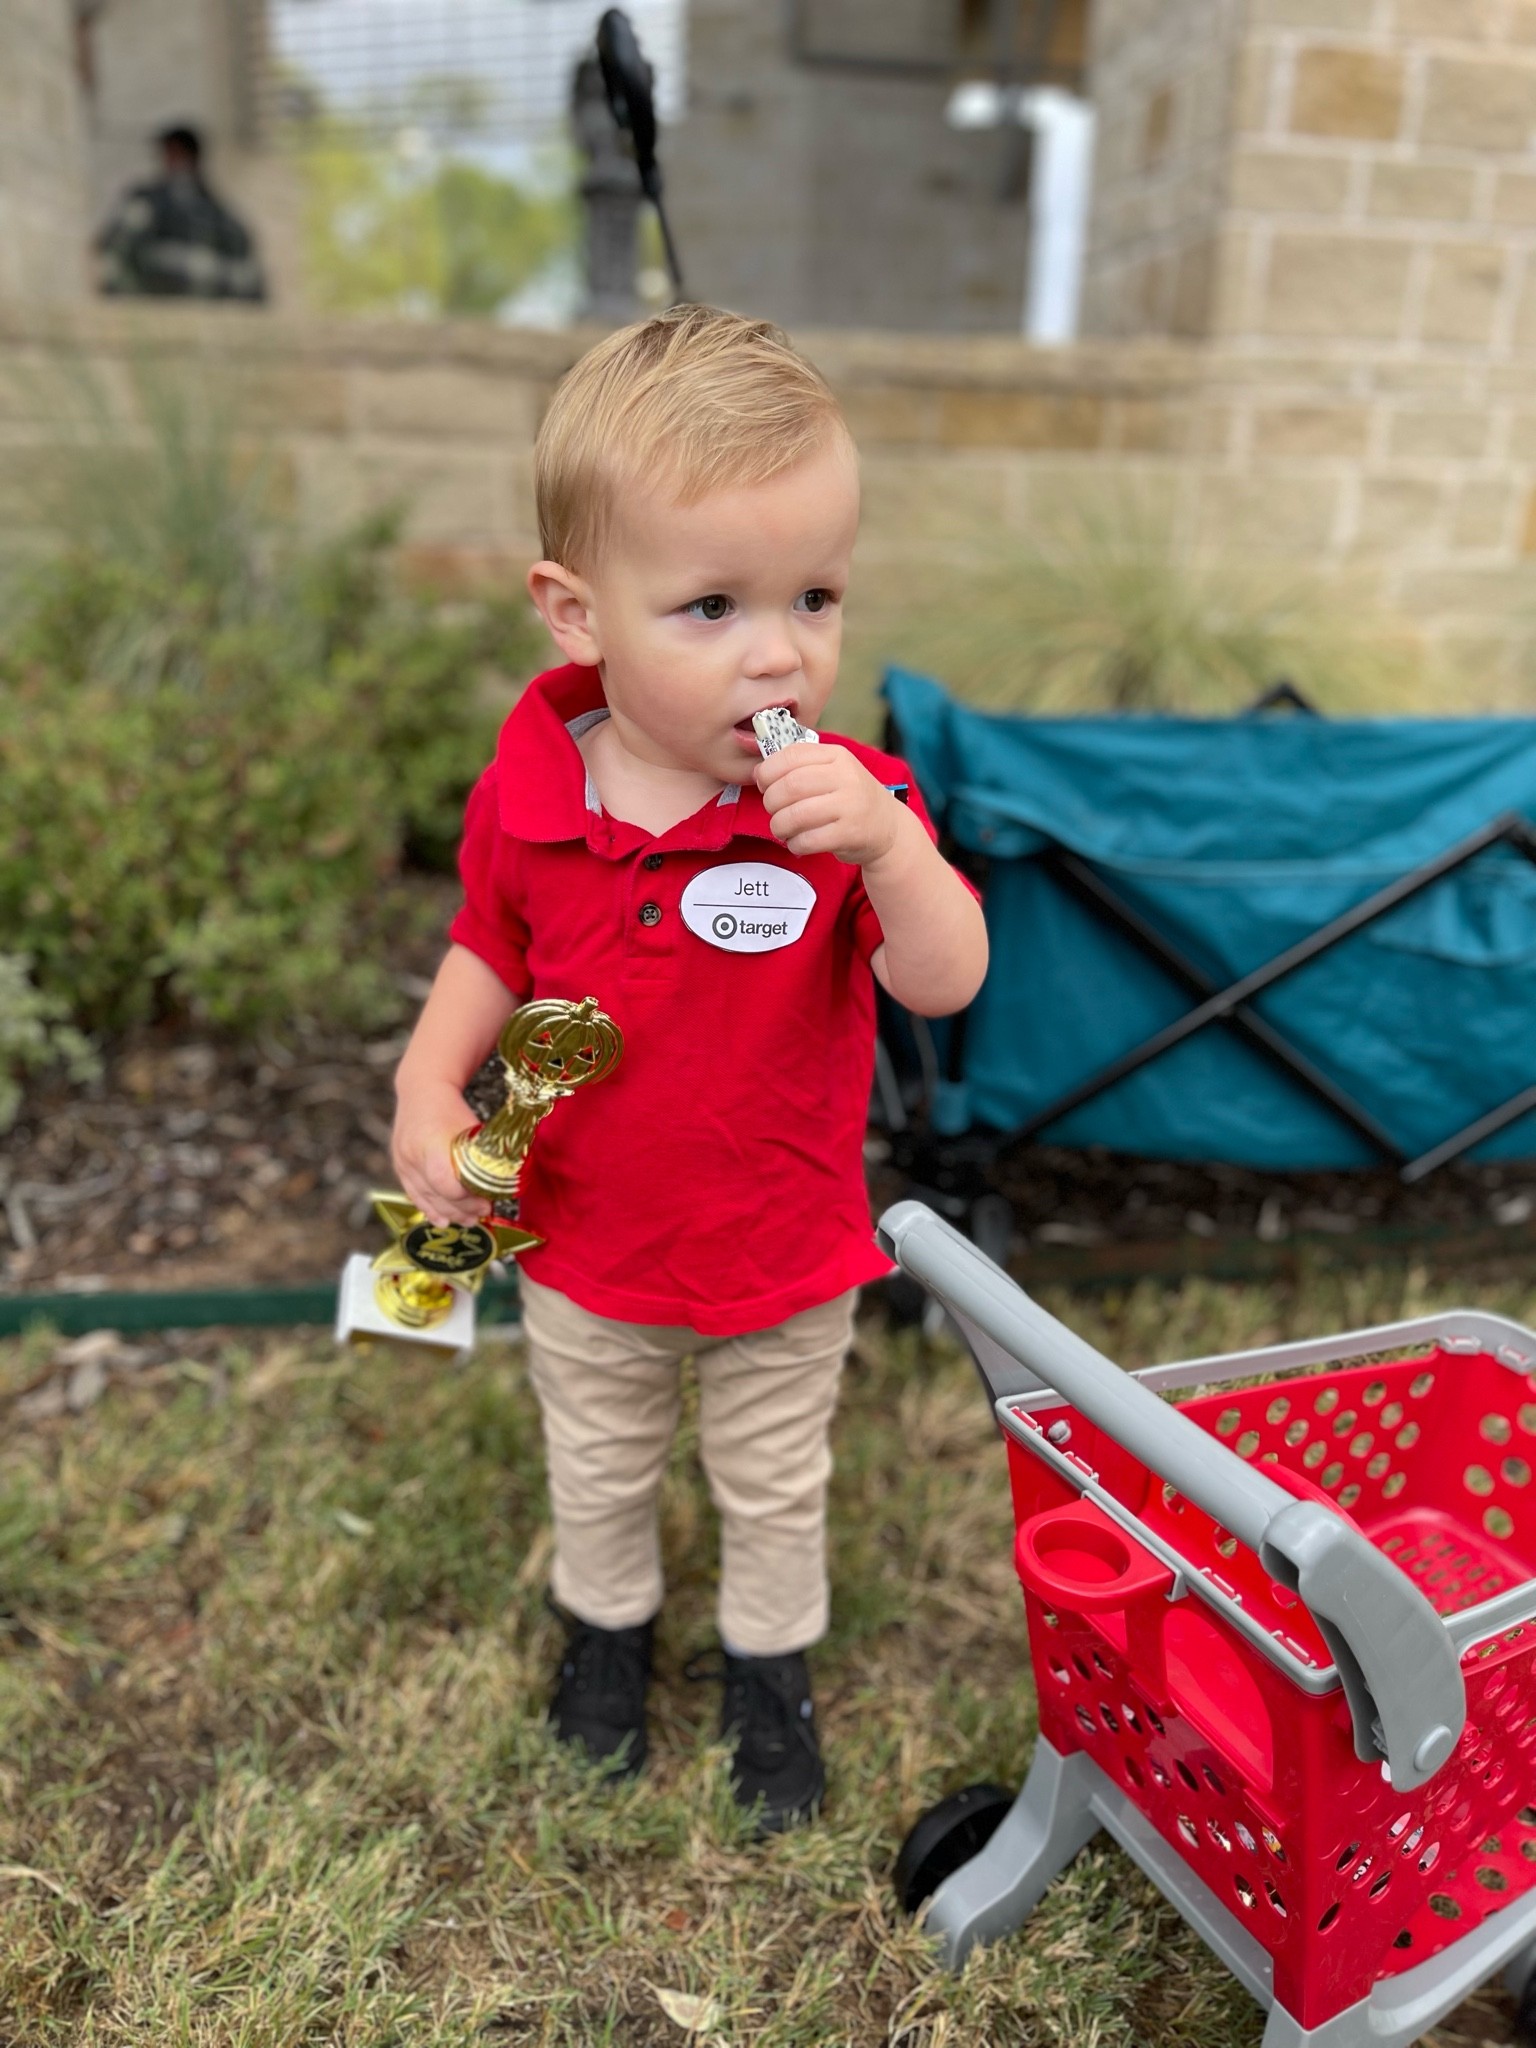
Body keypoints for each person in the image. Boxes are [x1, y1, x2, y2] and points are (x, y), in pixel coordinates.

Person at [390, 304, 988, 1832]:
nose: (780, 650)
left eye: (815, 595)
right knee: (597, 1456)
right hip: (589, 1234)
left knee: (773, 1480)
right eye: (712, 606)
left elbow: (946, 976)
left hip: (784, 1248)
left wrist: (896, 852)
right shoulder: (532, 792)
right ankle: (607, 1636)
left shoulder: (847, 808)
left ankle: (767, 1676)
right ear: (575, 613)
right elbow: (489, 946)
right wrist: (425, 1083)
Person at [97, 125, 266, 302]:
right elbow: (118, 246)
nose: (170, 161)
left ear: (192, 158)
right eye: (168, 154)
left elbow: (245, 263)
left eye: (175, 153)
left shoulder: (216, 212)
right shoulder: (149, 201)